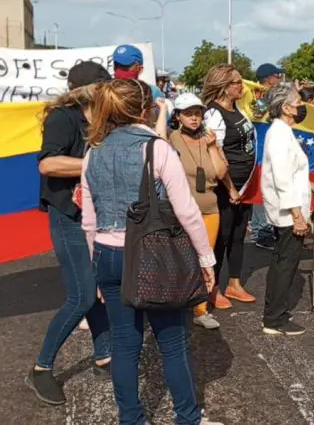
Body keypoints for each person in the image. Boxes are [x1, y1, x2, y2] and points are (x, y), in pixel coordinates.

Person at [81, 78, 222, 425]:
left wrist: (95, 269)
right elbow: (187, 210)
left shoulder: (92, 152)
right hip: (151, 253)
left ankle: (131, 419)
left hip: (106, 253)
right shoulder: (157, 149)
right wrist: (206, 258)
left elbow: (89, 219)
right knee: (172, 342)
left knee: (125, 346)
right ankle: (187, 418)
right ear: (146, 110)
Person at [29, 61, 113, 406]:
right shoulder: (63, 118)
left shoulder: (102, 118)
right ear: (88, 89)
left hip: (96, 216)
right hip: (69, 216)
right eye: (104, 85)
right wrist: (98, 163)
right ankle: (40, 367)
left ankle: (105, 355)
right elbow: (48, 164)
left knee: (96, 287)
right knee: (82, 295)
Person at [165, 93, 229, 329]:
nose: (194, 118)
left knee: (205, 259)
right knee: (179, 259)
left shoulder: (209, 138)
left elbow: (221, 173)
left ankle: (200, 310)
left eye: (197, 113)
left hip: (209, 208)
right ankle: (174, 306)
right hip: (181, 210)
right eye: (188, 113)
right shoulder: (171, 139)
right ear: (178, 116)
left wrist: (212, 147)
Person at [260, 82, 314, 336]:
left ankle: (275, 312)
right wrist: (297, 216)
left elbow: (291, 172)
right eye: (297, 102)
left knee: (283, 262)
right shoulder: (279, 134)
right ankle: (274, 318)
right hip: (287, 214)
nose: (301, 106)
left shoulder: (283, 132)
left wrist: (310, 185)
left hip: (289, 209)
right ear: (285, 108)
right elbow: (282, 179)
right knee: (285, 264)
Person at [202, 64, 257, 309]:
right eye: (237, 82)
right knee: (221, 237)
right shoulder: (213, 114)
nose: (242, 86)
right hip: (227, 186)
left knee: (238, 234)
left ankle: (234, 283)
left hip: (245, 184)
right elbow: (218, 152)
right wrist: (231, 187)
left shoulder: (237, 109)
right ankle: (211, 287)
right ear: (224, 86)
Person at [250, 63, 284, 250]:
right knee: (263, 191)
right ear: (270, 78)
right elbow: (256, 114)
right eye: (278, 76)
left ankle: (266, 229)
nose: (280, 79)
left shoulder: (271, 96)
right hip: (262, 150)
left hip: (271, 148)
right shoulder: (262, 97)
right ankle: (261, 232)